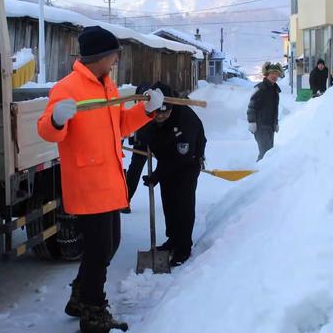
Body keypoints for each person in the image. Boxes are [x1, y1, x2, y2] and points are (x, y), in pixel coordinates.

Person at [37, 26, 164, 333]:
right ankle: (93, 312)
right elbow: (46, 130)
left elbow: (119, 125)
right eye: (113, 56)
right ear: (100, 56)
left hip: (109, 179)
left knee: (109, 245)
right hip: (87, 183)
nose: (115, 62)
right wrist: (56, 119)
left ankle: (81, 296)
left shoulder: (108, 86)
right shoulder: (67, 88)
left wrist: (146, 110)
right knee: (98, 250)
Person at [141, 82, 206, 267]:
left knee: (183, 205)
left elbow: (179, 158)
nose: (160, 116)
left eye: (165, 112)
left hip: (188, 162)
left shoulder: (185, 121)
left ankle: (183, 247)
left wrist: (157, 175)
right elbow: (147, 136)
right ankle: (173, 239)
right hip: (167, 161)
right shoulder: (152, 116)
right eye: (157, 113)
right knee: (169, 202)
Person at [122, 82, 152, 213]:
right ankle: (125, 201)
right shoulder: (137, 109)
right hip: (141, 140)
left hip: (159, 137)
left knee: (169, 169)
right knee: (135, 169)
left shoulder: (153, 98)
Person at [247, 62, 283, 161]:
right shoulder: (260, 88)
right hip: (260, 126)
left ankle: (265, 172)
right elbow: (252, 107)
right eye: (272, 73)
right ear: (267, 74)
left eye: (277, 74)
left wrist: (276, 123)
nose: (275, 76)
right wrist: (252, 122)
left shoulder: (275, 90)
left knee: (269, 152)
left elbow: (275, 110)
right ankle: (260, 173)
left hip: (270, 127)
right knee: (265, 152)